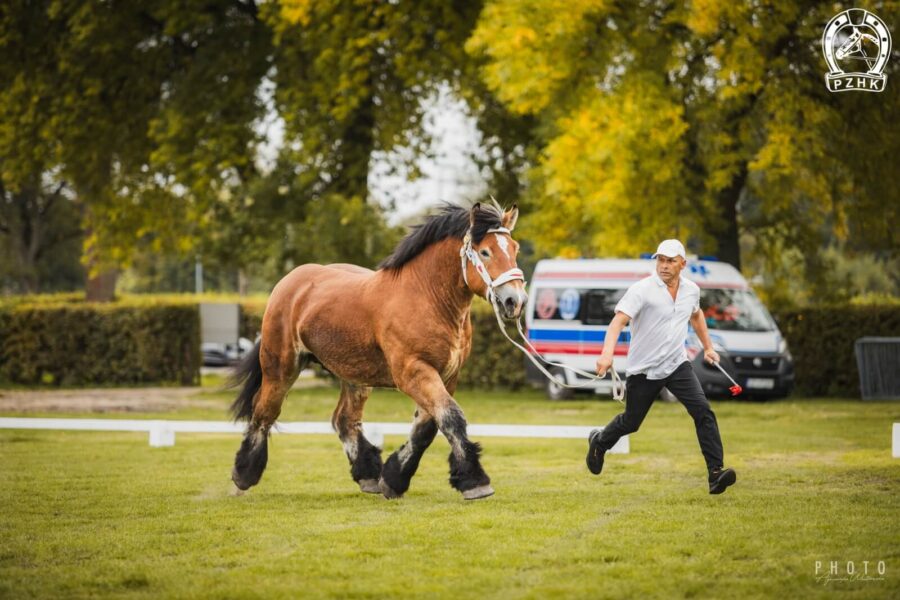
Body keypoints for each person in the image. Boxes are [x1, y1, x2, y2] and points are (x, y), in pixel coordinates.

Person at [586, 239, 737, 494]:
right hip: (644, 370)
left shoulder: (691, 290)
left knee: (703, 411)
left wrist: (708, 347)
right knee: (631, 422)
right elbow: (617, 322)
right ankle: (600, 442)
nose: (664, 266)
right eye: (661, 260)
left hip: (677, 365)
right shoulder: (641, 290)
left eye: (670, 261)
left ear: (682, 264)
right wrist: (606, 354)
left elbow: (696, 315)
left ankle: (715, 473)